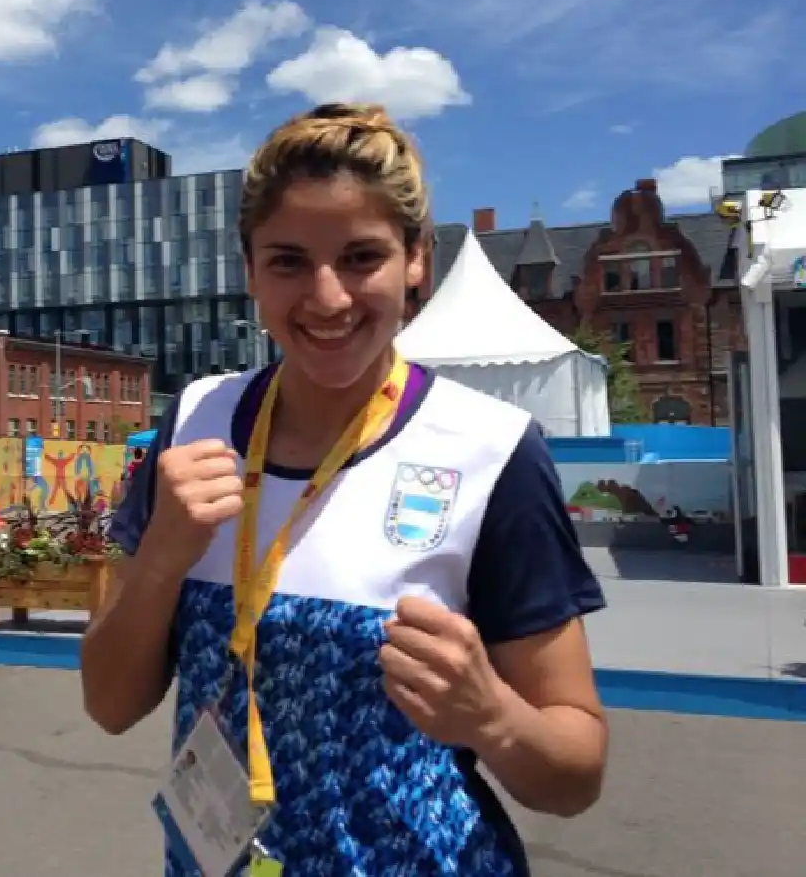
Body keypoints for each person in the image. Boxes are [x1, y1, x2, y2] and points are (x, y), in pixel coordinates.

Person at [81, 102, 608, 875]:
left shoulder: (491, 452)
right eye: (289, 261)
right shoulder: (196, 420)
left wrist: (492, 717)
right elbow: (111, 705)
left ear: (417, 259)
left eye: (362, 257)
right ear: (250, 269)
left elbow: (575, 774)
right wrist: (161, 554)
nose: (327, 298)